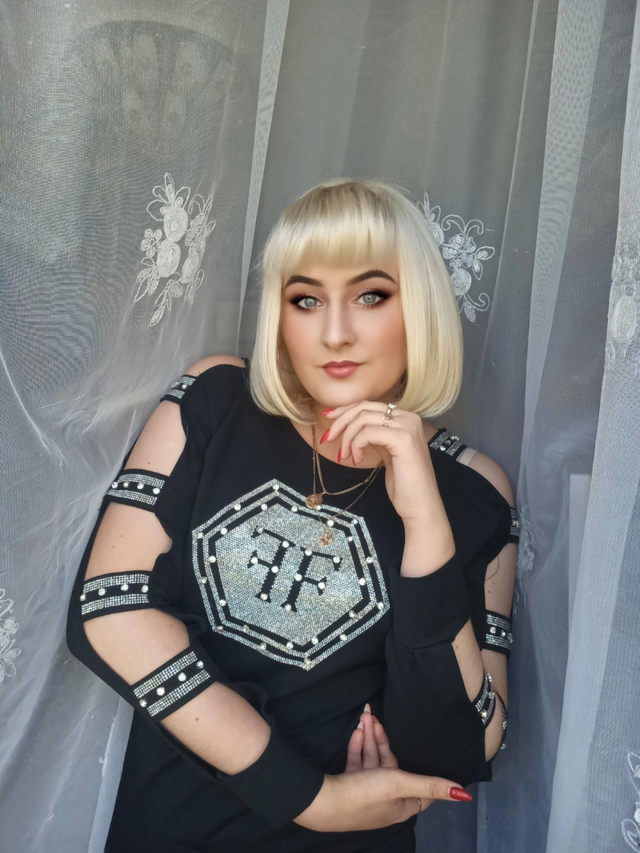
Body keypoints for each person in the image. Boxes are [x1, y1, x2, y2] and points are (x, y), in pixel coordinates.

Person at [66, 178, 519, 853]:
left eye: (371, 295)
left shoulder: (475, 489)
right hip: (171, 832)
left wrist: (426, 522)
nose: (335, 332)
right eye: (305, 299)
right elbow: (110, 608)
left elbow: (463, 744)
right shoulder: (218, 401)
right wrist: (310, 798)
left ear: (420, 307)